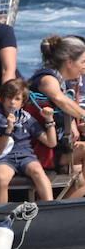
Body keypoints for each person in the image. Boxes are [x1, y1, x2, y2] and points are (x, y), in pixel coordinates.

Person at [28, 35, 85, 198]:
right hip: (39, 149)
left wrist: (73, 122)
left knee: (80, 174)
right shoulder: (47, 79)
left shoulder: (62, 81)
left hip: (56, 146)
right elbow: (59, 99)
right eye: (83, 62)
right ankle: (60, 209)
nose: (84, 67)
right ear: (69, 62)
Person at [0, 79, 56, 203]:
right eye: (9, 98)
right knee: (1, 177)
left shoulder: (27, 119)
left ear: (22, 103)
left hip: (25, 156)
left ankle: (50, 207)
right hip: (5, 157)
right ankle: (2, 215)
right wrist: (8, 129)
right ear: (2, 99)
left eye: (17, 99)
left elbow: (51, 142)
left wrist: (49, 120)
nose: (12, 102)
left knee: (38, 172)